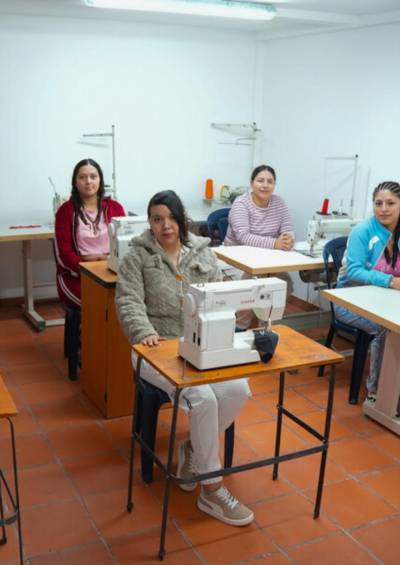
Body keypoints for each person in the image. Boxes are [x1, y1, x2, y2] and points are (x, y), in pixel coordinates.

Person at [116, 190, 254, 527]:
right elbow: (128, 301)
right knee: (203, 397)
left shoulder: (202, 251)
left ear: (182, 219)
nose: (165, 225)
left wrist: (238, 313)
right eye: (157, 219)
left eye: (171, 218)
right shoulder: (137, 256)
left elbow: (220, 294)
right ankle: (212, 489)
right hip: (155, 348)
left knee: (238, 389)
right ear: (150, 223)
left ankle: (193, 449)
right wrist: (143, 332)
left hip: (199, 346)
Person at [335, 181, 400, 402]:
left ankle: (389, 373)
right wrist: (392, 281)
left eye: (390, 203)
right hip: (350, 301)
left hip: (388, 301)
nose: (383, 209)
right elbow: (354, 272)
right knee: (388, 328)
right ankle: (377, 391)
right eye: (378, 203)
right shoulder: (363, 231)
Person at [54, 158, 125, 308]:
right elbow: (64, 254)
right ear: (75, 182)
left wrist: (108, 262)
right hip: (78, 275)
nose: (88, 181)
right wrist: (89, 266)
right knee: (97, 305)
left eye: (93, 176)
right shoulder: (65, 211)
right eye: (82, 177)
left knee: (126, 304)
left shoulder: (115, 208)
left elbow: (125, 245)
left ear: (100, 180)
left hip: (111, 270)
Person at [223, 165, 295, 251]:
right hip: (237, 253)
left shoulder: (279, 202)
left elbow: (288, 229)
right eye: (260, 181)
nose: (265, 185)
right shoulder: (241, 203)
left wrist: (288, 239)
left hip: (269, 252)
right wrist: (274, 243)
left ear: (274, 185)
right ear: (251, 183)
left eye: (270, 182)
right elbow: (243, 236)